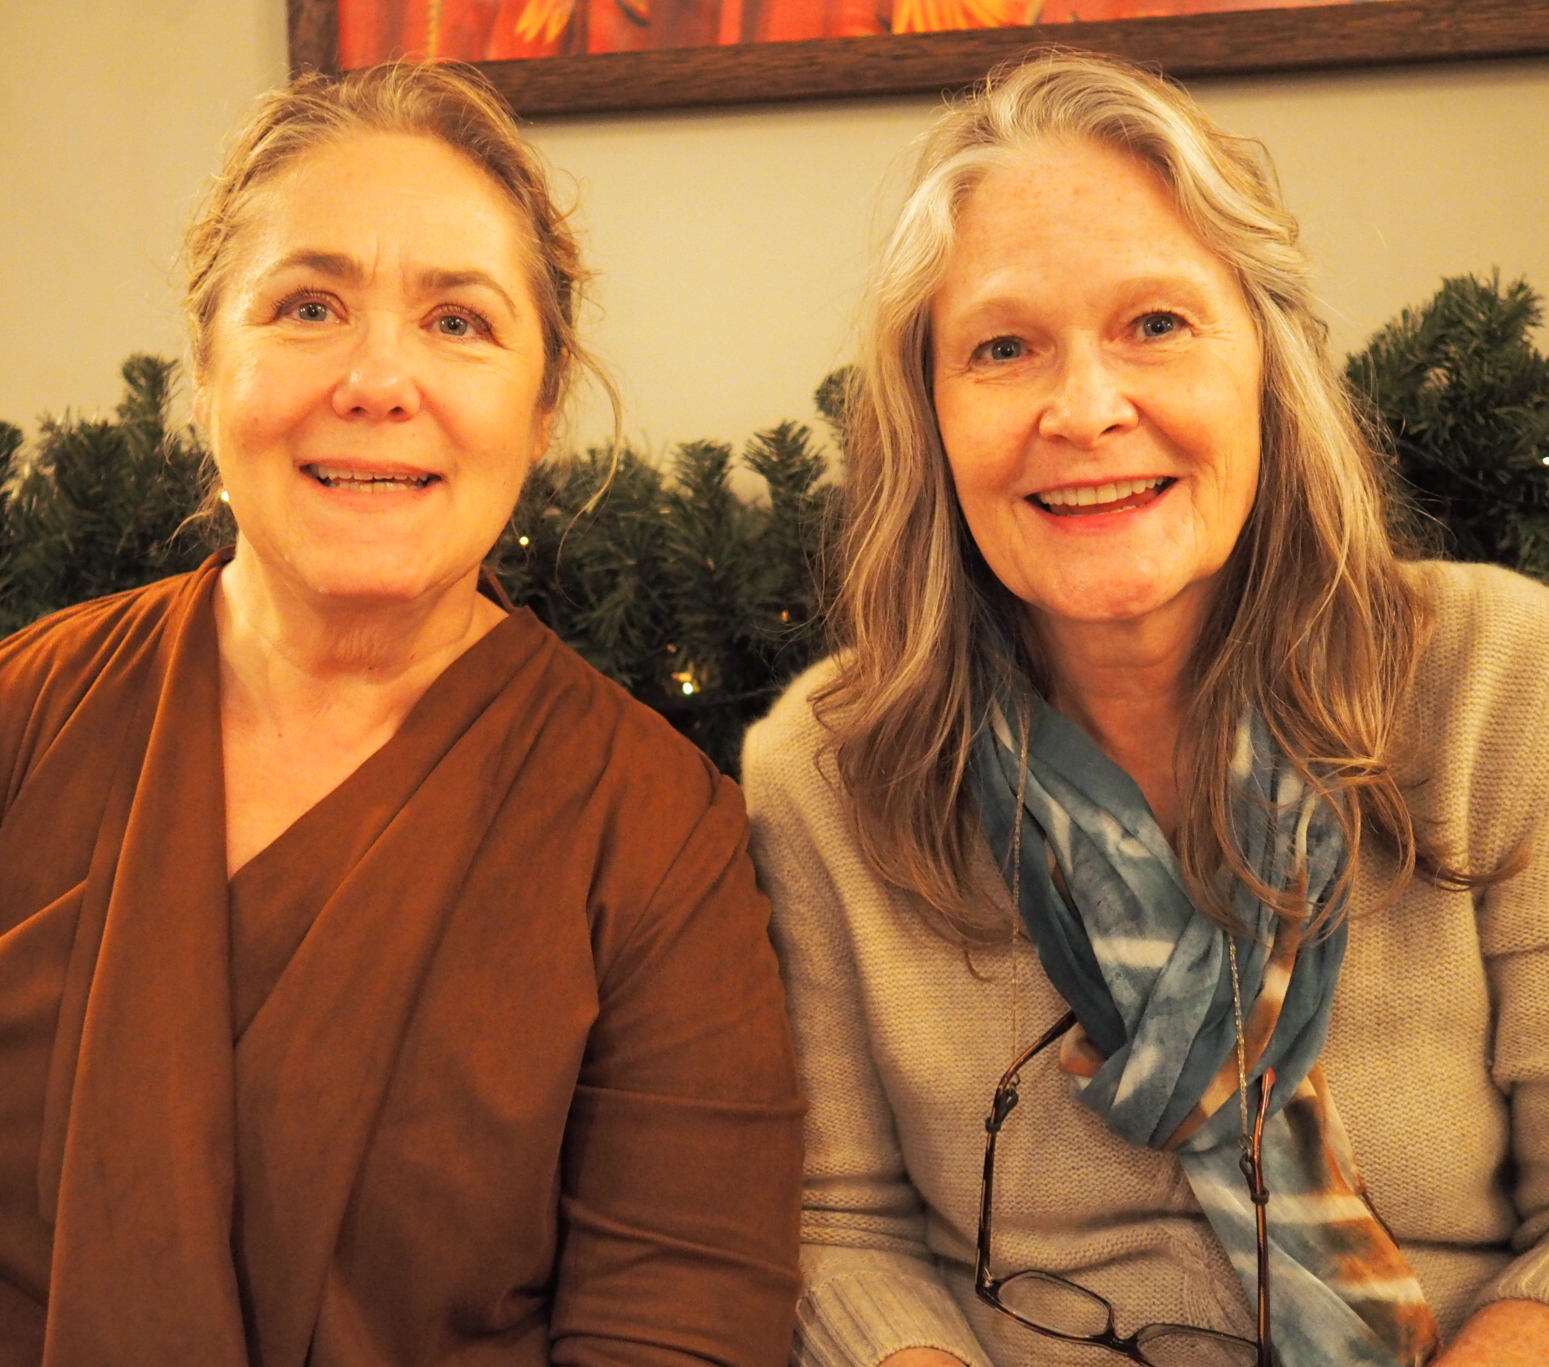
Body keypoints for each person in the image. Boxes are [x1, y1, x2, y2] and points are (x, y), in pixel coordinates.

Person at [743, 51, 1549, 1367]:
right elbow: (842, 1233)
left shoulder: (1499, 680)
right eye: (1003, 349)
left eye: (1156, 324)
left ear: (1266, 366)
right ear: (928, 415)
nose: (1084, 410)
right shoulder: (822, 770)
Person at [0, 63, 802, 1366]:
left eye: (458, 322)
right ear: (208, 369)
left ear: (541, 410)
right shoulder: (26, 714)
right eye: (307, 307)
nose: (377, 380)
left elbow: (682, 1322)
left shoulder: (656, 837)